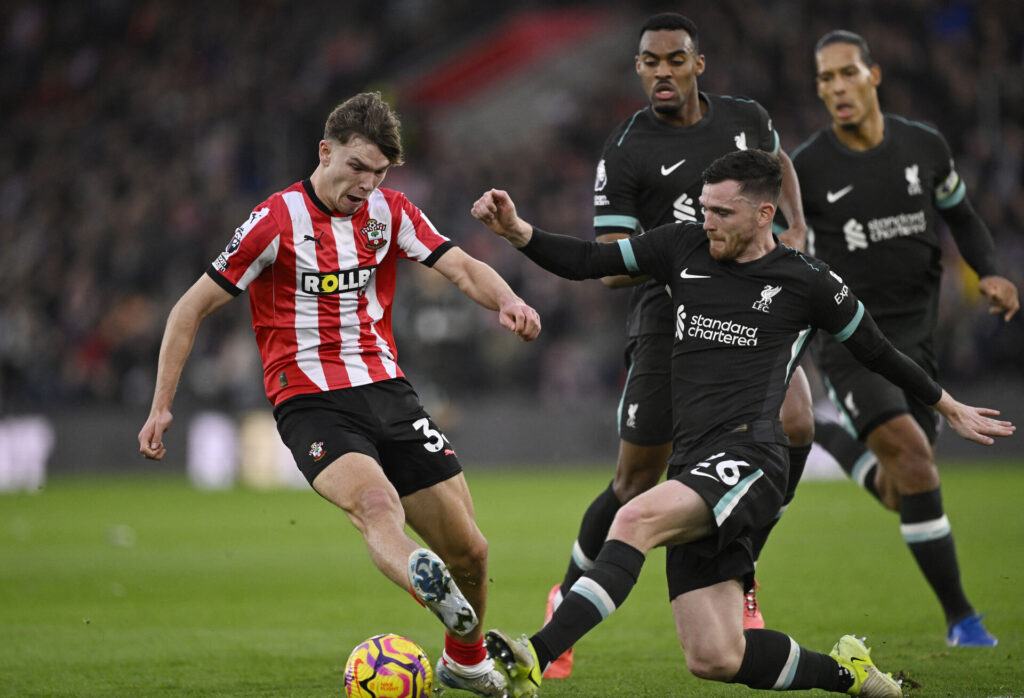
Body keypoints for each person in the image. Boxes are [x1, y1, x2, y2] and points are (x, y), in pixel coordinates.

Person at [470, 149, 1014, 698]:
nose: (708, 222)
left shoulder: (808, 281)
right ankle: (850, 675)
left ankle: (533, 657)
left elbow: (878, 351)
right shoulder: (681, 245)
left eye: (723, 213)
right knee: (716, 656)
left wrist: (946, 404)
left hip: (751, 458)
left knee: (634, 518)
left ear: (763, 215)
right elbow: (588, 260)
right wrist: (518, 231)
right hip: (692, 461)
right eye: (705, 208)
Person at [137, 92, 542, 697]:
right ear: (325, 152)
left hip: (388, 391)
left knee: (472, 551)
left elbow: (459, 266)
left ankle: (464, 657)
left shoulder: (391, 212)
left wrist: (508, 298)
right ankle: (417, 573)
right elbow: (189, 308)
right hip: (310, 401)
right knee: (377, 508)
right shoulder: (273, 222)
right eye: (357, 167)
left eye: (378, 173)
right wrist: (161, 404)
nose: (366, 184)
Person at [543, 15, 813, 677]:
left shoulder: (746, 117)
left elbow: (775, 165)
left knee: (798, 420)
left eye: (673, 60)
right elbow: (607, 264)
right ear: (637, 69)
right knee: (636, 478)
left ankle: (741, 569)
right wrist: (688, 242)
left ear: (699, 64)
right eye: (648, 62)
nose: (660, 72)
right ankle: (565, 600)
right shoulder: (627, 148)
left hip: (750, 310)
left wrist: (797, 227)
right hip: (670, 323)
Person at [789, 30, 1020, 647]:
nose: (836, 87)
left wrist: (991, 270)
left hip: (919, 342)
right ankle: (963, 620)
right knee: (916, 462)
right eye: (824, 78)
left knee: (902, 489)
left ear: (874, 74)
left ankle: (831, 437)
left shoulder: (924, 146)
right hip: (852, 342)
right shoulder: (808, 168)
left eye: (846, 73)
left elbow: (962, 216)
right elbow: (788, 250)